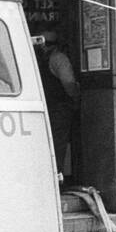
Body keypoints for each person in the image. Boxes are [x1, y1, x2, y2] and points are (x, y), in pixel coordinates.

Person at [36, 29, 79, 177]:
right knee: (58, 143)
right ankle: (57, 175)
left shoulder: (38, 60)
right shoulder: (59, 59)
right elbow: (68, 82)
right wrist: (75, 97)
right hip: (60, 107)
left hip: (47, 106)